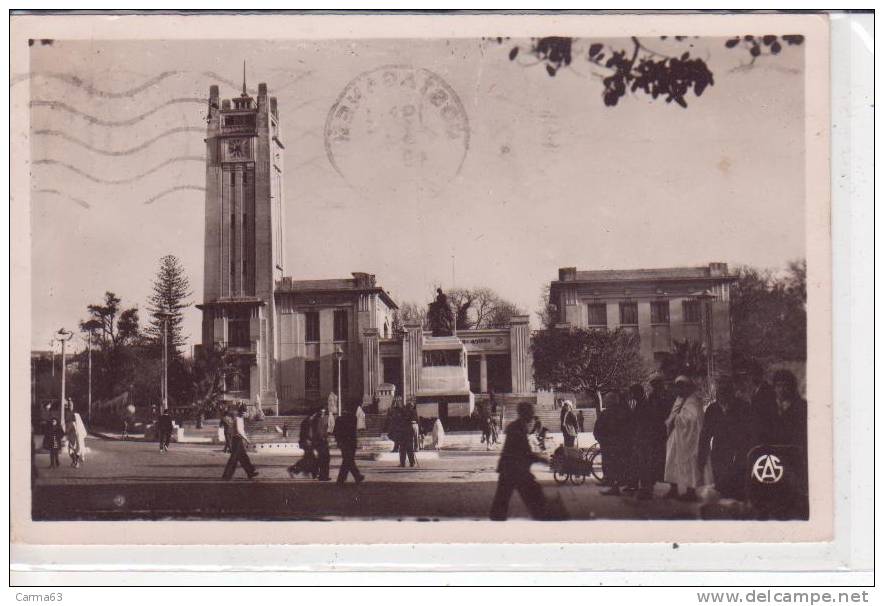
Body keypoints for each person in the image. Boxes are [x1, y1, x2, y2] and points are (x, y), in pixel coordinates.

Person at [698, 375, 757, 501]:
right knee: (720, 494)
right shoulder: (712, 410)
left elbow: (751, 435)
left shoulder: (744, 407)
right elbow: (705, 436)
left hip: (740, 458)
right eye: (720, 388)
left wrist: (746, 457)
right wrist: (700, 462)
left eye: (726, 388)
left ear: (731, 390)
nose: (722, 391)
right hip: (719, 458)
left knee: (737, 494)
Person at [489, 402, 550, 521]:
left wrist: (539, 458)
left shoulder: (518, 426)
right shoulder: (517, 428)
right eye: (530, 413)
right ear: (524, 413)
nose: (532, 416)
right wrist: (541, 459)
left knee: (501, 502)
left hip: (512, 469)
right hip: (513, 470)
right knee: (532, 497)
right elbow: (524, 452)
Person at [663, 376, 710, 501]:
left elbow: (693, 419)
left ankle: (691, 491)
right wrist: (671, 421)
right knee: (672, 462)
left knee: (690, 464)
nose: (678, 390)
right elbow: (673, 414)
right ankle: (673, 488)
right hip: (676, 437)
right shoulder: (680, 399)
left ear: (687, 387)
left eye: (681, 387)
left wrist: (676, 420)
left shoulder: (693, 401)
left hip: (690, 439)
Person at [628, 382, 666, 500]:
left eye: (632, 393)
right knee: (642, 464)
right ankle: (645, 488)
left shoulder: (644, 405)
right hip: (642, 439)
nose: (631, 395)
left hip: (645, 440)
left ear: (637, 393)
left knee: (645, 465)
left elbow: (645, 423)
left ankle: (646, 490)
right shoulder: (641, 403)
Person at [594, 391, 633, 496]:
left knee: (613, 466)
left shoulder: (607, 413)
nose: (605, 401)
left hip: (609, 444)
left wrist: (600, 439)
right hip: (617, 444)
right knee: (617, 465)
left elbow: (599, 428)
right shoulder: (622, 412)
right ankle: (616, 485)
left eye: (606, 399)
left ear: (610, 401)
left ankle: (614, 488)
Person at [646, 372, 673, 484]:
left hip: (665, 428)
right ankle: (657, 476)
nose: (654, 386)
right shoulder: (652, 396)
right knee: (657, 454)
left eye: (656, 383)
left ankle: (666, 477)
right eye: (653, 384)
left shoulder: (668, 395)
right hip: (655, 429)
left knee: (666, 454)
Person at [742, 361, 778, 444]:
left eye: (752, 374)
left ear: (759, 375)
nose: (750, 378)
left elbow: (771, 416)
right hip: (757, 436)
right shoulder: (755, 391)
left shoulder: (768, 391)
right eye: (749, 375)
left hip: (765, 437)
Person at [222, 406, 258, 480]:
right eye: (245, 412)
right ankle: (227, 475)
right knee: (234, 458)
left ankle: (250, 472)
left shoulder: (240, 419)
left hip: (238, 439)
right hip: (236, 439)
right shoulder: (238, 419)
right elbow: (239, 430)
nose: (246, 414)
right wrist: (247, 439)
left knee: (243, 457)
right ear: (241, 412)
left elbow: (242, 430)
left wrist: (245, 438)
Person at [333, 408, 365, 485]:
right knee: (348, 460)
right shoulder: (353, 418)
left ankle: (341, 480)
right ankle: (356, 476)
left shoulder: (340, 419)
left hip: (345, 443)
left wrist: (338, 441)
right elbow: (352, 432)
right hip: (350, 443)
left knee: (347, 460)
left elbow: (336, 432)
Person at [288, 410, 319, 478]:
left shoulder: (311, 422)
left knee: (309, 458)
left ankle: (308, 472)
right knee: (309, 458)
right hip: (306, 442)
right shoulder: (306, 422)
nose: (314, 417)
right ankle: (311, 473)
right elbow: (303, 433)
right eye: (314, 415)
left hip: (309, 442)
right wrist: (307, 440)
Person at [312, 407, 333, 481]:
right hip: (321, 442)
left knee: (323, 459)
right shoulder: (319, 420)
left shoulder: (319, 420)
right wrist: (323, 438)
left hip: (321, 441)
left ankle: (322, 475)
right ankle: (323, 476)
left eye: (324, 412)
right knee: (325, 459)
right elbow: (319, 431)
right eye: (322, 412)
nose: (323, 414)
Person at [395, 402, 417, 467]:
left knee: (403, 449)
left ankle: (403, 463)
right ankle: (411, 462)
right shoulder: (413, 412)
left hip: (403, 432)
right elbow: (415, 421)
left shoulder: (403, 412)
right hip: (409, 432)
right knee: (409, 448)